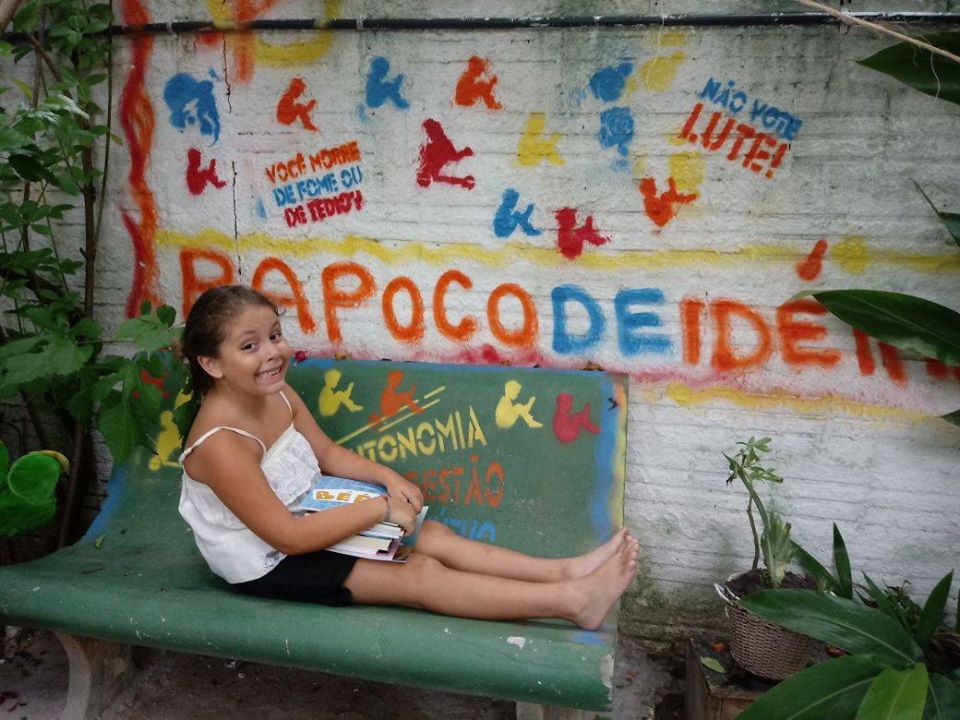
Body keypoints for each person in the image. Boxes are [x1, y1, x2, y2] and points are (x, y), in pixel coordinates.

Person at [178, 285, 638, 629]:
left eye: (274, 335)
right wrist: (379, 508)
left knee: (431, 535)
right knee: (419, 574)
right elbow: (288, 538)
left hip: (307, 517)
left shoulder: (276, 394)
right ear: (211, 363)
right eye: (249, 346)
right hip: (269, 560)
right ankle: (574, 602)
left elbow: (328, 452)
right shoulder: (221, 443)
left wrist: (387, 478)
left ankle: (565, 570)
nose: (272, 353)